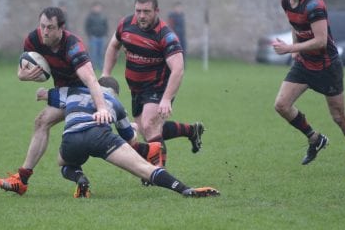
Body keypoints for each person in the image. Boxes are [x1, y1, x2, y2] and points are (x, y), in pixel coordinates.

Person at [0, 7, 112, 195]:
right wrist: (22, 76)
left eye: (50, 27)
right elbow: (22, 69)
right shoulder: (34, 39)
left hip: (82, 93)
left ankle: (143, 153)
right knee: (42, 122)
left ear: (61, 28)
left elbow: (90, 79)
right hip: (63, 92)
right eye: (42, 26)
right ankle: (22, 180)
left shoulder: (73, 46)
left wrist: (102, 108)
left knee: (67, 137)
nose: (45, 32)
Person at [43, 76, 220, 198]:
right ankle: (185, 190)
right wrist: (133, 127)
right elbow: (131, 140)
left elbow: (45, 94)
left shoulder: (75, 90)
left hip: (71, 138)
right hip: (100, 137)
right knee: (144, 168)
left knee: (64, 162)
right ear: (115, 92)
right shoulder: (116, 104)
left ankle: (80, 178)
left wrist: (42, 92)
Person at [272, 0, 345, 175]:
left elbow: (321, 41)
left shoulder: (314, 5)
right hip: (304, 65)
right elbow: (296, 26)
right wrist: (295, 51)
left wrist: (290, 48)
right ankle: (315, 139)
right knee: (281, 105)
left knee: (339, 117)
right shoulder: (286, 1)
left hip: (327, 68)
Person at [103, 0, 192, 167]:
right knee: (145, 129)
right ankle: (190, 131)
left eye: (146, 11)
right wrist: (106, 74)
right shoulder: (126, 25)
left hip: (158, 87)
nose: (142, 16)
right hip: (136, 88)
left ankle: (157, 171)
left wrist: (166, 98)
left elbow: (178, 69)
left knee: (149, 124)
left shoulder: (165, 36)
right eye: (138, 11)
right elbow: (114, 46)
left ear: (156, 11)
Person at [85, 2, 109, 71]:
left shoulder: (103, 17)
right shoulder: (90, 17)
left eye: (99, 7)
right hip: (94, 38)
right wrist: (90, 35)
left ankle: (101, 67)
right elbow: (87, 27)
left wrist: (105, 34)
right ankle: (93, 67)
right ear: (93, 8)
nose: (97, 9)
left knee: (101, 53)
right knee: (93, 54)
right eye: (96, 7)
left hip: (102, 37)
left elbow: (106, 26)